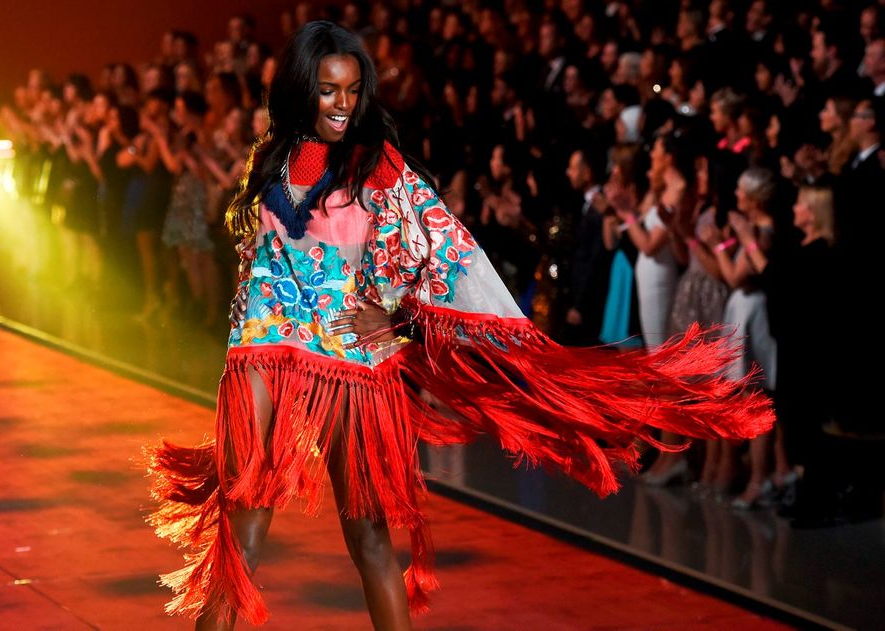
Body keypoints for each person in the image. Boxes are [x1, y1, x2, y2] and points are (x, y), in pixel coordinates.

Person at [147, 21, 773, 630]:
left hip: (347, 358)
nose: (342, 103)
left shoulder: (377, 165)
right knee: (242, 532)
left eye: (352, 89)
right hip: (265, 350)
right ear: (300, 87)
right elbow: (252, 262)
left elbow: (447, 255)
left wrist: (395, 318)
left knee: (368, 537)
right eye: (328, 88)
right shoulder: (271, 160)